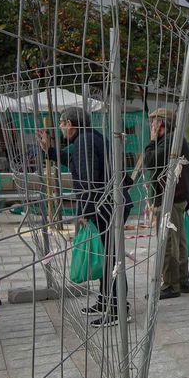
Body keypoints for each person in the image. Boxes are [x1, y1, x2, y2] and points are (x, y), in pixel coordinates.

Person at [36, 106, 120, 327]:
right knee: (104, 255)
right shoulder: (88, 138)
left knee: (108, 257)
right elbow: (74, 160)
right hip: (105, 204)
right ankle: (105, 301)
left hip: (101, 208)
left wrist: (85, 212)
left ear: (70, 124)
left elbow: (87, 180)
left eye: (61, 123)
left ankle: (117, 308)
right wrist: (49, 150)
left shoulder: (83, 142)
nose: (60, 127)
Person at [141, 108, 189, 300]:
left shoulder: (169, 140)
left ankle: (171, 284)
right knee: (178, 240)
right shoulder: (176, 139)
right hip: (177, 196)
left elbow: (150, 160)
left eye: (154, 122)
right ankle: (182, 280)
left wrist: (152, 141)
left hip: (170, 198)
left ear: (161, 123)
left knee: (168, 242)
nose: (151, 126)